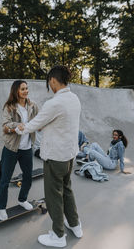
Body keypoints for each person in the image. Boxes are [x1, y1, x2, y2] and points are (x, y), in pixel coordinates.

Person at [16, 65, 83, 248]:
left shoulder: (54, 103)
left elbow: (34, 124)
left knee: (53, 196)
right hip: (69, 156)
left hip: (55, 157)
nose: (49, 86)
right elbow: (58, 122)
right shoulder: (74, 98)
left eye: (49, 82)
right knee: (67, 190)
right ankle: (75, 225)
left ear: (53, 80)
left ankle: (58, 235)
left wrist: (18, 127)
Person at [0, 80, 38, 220]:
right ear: (16, 91)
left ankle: (22, 199)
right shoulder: (9, 107)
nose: (26, 91)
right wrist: (16, 127)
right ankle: (1, 208)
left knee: (28, 177)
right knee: (5, 180)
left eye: (27, 88)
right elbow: (5, 126)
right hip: (11, 149)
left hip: (27, 148)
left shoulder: (32, 106)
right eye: (22, 89)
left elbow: (39, 120)